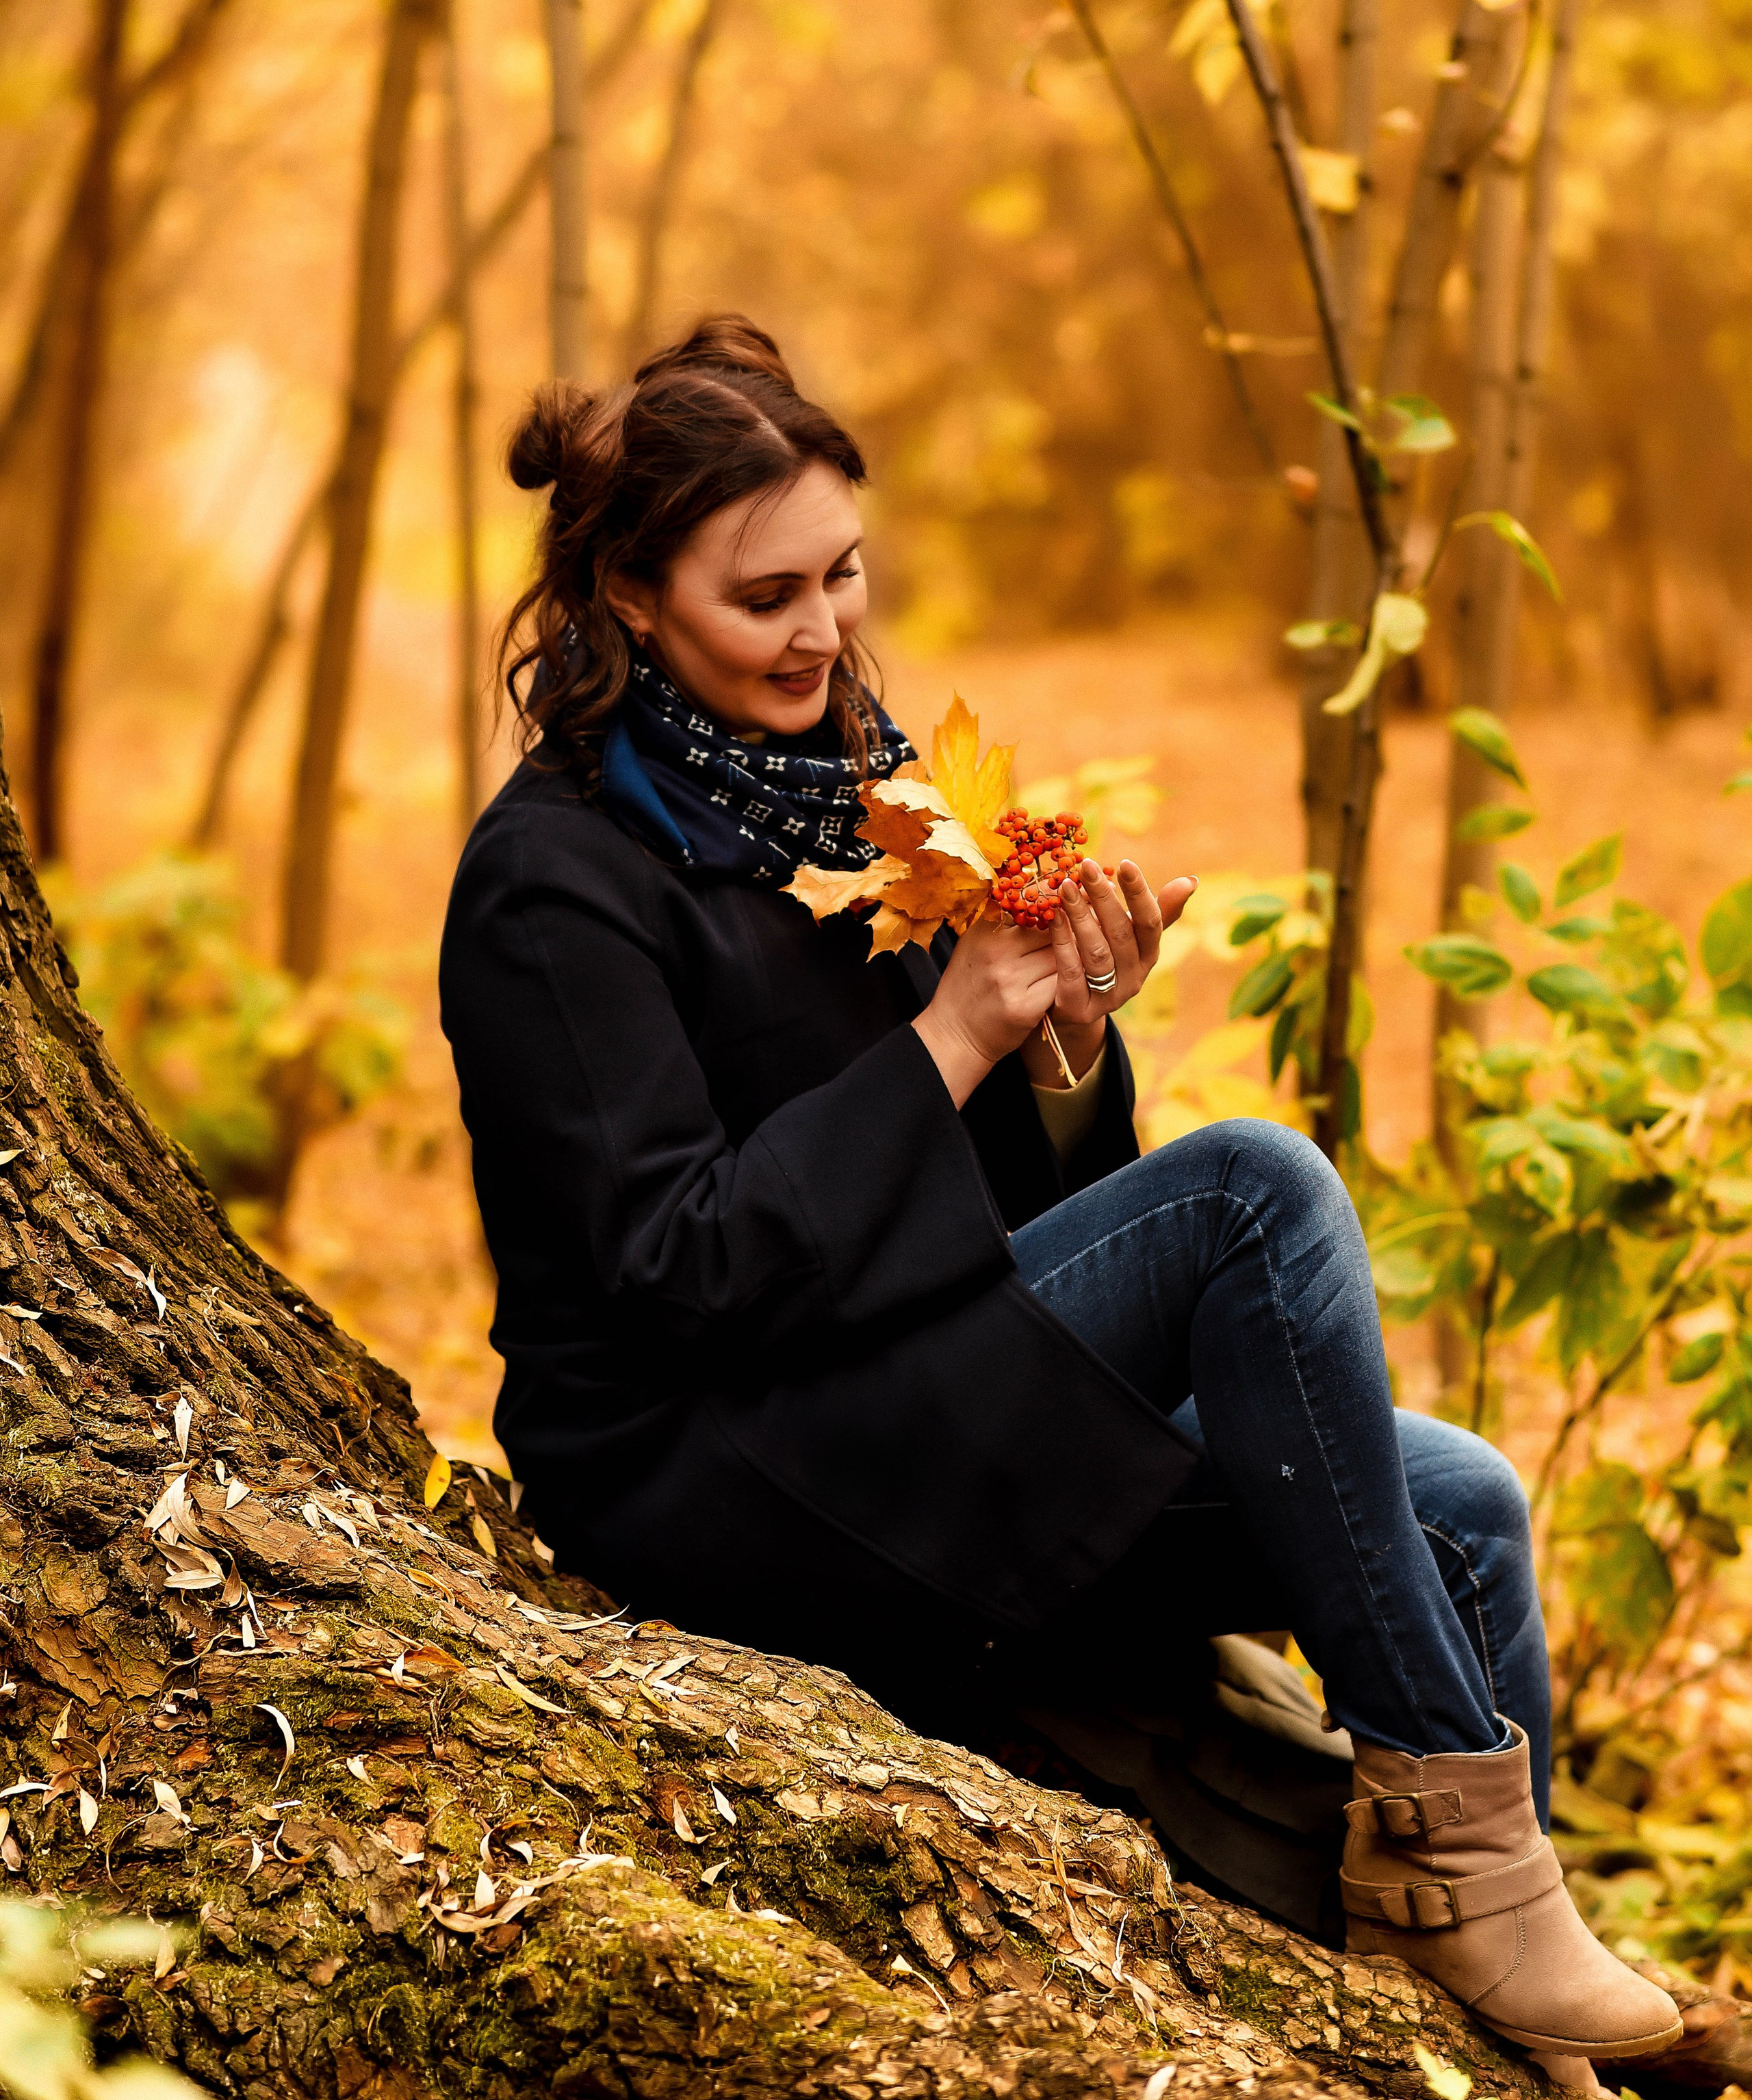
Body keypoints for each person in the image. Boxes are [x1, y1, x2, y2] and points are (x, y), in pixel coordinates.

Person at [439, 313, 1679, 2075]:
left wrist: (1054, 1048)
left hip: (889, 1366)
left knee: (1463, 1497)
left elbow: (988, 1200)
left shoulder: (860, 801)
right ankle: (1466, 1870)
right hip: (715, 1463)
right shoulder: (548, 884)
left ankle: (1488, 1995)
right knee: (1248, 1190)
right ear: (630, 598)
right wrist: (946, 1037)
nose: (824, 629)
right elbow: (673, 1269)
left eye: (843, 573)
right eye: (766, 595)